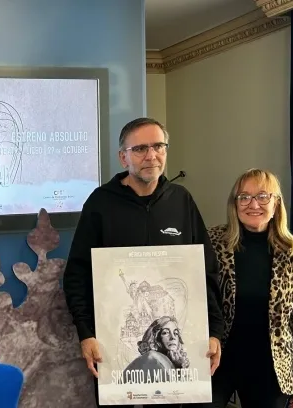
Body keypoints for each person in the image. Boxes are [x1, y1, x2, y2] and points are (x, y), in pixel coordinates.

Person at [62, 117, 226, 407]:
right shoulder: (100, 204)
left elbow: (206, 271)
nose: (151, 155)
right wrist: (86, 333)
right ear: (123, 157)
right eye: (140, 149)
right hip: (114, 351)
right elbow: (78, 275)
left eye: (158, 146)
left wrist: (214, 331)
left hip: (177, 365)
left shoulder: (181, 200)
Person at [197, 169, 293, 408]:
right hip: (216, 358)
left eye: (262, 196)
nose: (253, 204)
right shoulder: (212, 242)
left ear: (276, 203)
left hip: (270, 365)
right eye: (244, 197)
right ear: (234, 203)